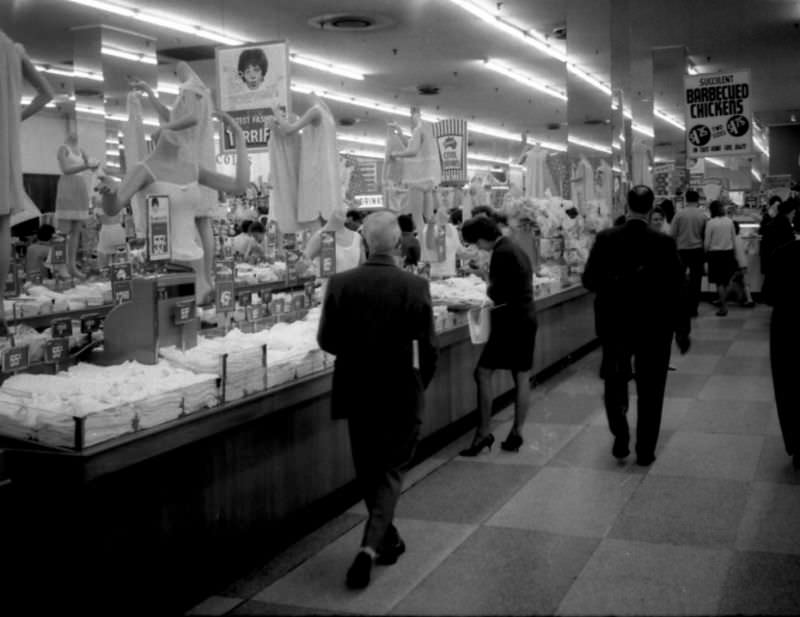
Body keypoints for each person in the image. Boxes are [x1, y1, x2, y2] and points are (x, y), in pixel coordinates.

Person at [317, 210, 437, 590]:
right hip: (400, 389)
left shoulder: (340, 283)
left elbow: (326, 341)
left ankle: (387, 539)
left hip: (357, 388)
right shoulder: (414, 286)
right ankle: (369, 550)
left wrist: (357, 353)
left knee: (369, 467)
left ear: (365, 242)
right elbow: (429, 347)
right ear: (399, 243)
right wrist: (421, 382)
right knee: (391, 469)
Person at [583, 185, 691, 466]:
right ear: (651, 206)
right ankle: (645, 450)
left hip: (615, 325)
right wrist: (682, 329)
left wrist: (614, 283)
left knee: (615, 383)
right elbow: (679, 288)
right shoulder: (664, 244)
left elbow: (589, 281)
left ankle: (620, 435)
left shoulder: (606, 239)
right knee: (652, 389)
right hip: (655, 327)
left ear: (626, 205)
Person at [97, 111, 250, 303]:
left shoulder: (193, 169)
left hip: (196, 259)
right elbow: (114, 208)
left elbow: (239, 185)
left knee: (201, 322)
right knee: (169, 323)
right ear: (160, 132)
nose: (181, 134)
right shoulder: (144, 169)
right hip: (164, 263)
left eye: (184, 130)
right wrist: (109, 195)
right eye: (176, 128)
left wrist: (239, 135)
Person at [132, 62, 217, 300]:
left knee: (198, 220)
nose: (175, 75)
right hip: (191, 156)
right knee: (197, 221)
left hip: (191, 157)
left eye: (175, 71)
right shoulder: (194, 91)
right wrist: (150, 93)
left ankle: (204, 278)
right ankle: (203, 278)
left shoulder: (191, 89)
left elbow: (189, 119)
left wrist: (165, 128)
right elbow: (170, 116)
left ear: (182, 68)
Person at [459, 215, 537, 455]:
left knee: (482, 373)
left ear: (482, 237)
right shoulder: (513, 247)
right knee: (522, 376)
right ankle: (517, 433)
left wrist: (485, 276)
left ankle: (483, 434)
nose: (477, 248)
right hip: (525, 318)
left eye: (475, 243)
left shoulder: (502, 253)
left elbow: (497, 292)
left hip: (510, 322)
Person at [1, 29, 53, 334]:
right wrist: (12, 117)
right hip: (5, 148)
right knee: (3, 222)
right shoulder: (13, 47)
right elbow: (47, 93)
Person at [268, 94, 339, 228]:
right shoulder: (329, 118)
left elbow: (289, 129)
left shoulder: (315, 111)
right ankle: (328, 249)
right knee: (326, 225)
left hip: (314, 173)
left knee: (315, 223)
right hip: (325, 176)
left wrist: (275, 112)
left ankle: (320, 248)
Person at [763, 238, 800, 470]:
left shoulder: (782, 253)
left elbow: (769, 295)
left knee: (788, 386)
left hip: (787, 328)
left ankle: (796, 444)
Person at [388, 106, 442, 233]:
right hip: (428, 179)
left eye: (411, 116)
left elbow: (412, 151)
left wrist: (396, 154)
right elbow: (411, 147)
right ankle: (431, 239)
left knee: (417, 215)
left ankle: (423, 243)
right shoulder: (427, 133)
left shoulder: (419, 130)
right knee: (429, 216)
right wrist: (400, 133)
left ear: (415, 117)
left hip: (417, 179)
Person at [55, 132, 98, 279]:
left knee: (76, 231)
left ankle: (72, 266)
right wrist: (86, 165)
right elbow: (65, 169)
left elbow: (92, 168)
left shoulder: (82, 151)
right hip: (67, 186)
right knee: (63, 232)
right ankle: (59, 265)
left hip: (80, 188)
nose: (74, 134)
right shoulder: (63, 149)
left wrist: (93, 165)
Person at [670, 189, 707, 317]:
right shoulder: (702, 215)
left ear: (686, 199)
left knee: (680, 280)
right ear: (697, 200)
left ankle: (681, 307)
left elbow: (672, 234)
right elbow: (705, 235)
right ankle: (694, 309)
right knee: (696, 281)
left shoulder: (679, 215)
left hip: (681, 251)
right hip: (697, 250)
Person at [704, 200, 738, 317]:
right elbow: (734, 239)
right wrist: (735, 254)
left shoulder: (711, 223)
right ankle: (723, 301)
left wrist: (705, 253)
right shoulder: (729, 221)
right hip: (728, 253)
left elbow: (707, 242)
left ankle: (723, 306)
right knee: (727, 280)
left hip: (715, 255)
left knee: (719, 282)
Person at [305, 207, 363, 274]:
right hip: (328, 283)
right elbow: (302, 264)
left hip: (352, 283)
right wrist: (314, 274)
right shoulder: (320, 236)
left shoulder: (357, 237)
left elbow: (362, 265)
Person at [760, 198, 797, 280]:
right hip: (779, 265)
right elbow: (788, 246)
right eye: (793, 213)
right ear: (789, 213)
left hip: (770, 263)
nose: (794, 216)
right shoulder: (784, 225)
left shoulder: (776, 221)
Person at [421, 208, 462, 278]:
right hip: (437, 276)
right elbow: (430, 246)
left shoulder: (452, 228)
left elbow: (459, 250)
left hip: (453, 275)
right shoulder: (428, 229)